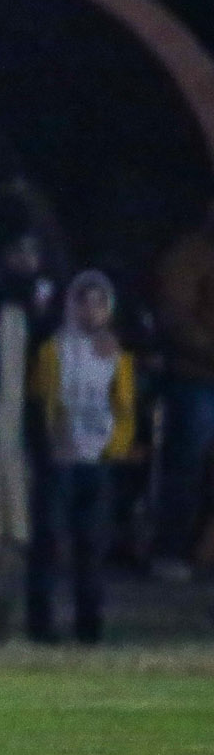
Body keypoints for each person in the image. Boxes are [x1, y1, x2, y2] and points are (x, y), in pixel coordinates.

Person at [27, 270, 136, 645]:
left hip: (98, 462)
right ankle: (41, 626)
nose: (91, 312)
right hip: (60, 461)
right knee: (49, 543)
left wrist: (113, 449)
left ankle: (89, 627)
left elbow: (125, 409)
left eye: (99, 304)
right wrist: (51, 445)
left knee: (91, 547)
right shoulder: (52, 350)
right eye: (83, 303)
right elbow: (40, 403)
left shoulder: (117, 355)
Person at [0, 233, 57, 641]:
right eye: (17, 251)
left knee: (21, 530)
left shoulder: (48, 313)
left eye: (32, 252)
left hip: (29, 436)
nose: (25, 260)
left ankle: (19, 622)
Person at [152, 200, 214, 582]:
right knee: (186, 465)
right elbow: (176, 319)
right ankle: (170, 550)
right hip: (197, 378)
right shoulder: (187, 257)